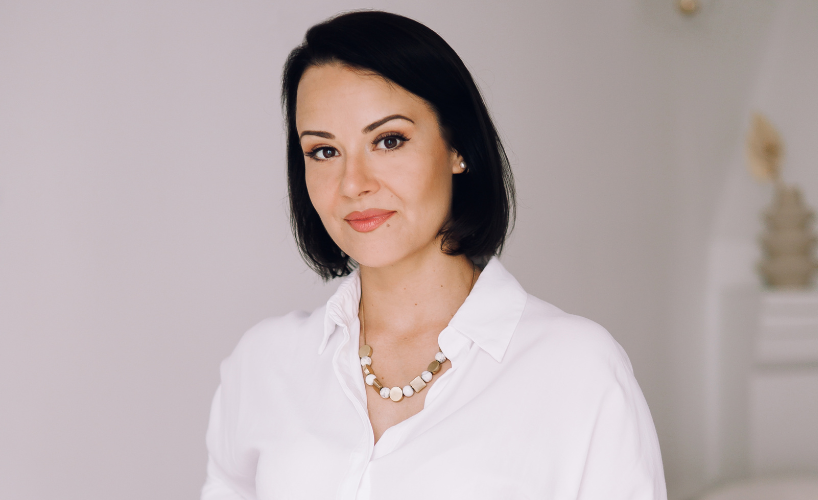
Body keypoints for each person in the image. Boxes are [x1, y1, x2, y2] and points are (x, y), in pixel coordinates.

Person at [202, 10, 666, 500]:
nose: (353, 183)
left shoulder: (576, 369)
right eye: (324, 151)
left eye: (388, 141)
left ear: (457, 148)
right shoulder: (264, 363)